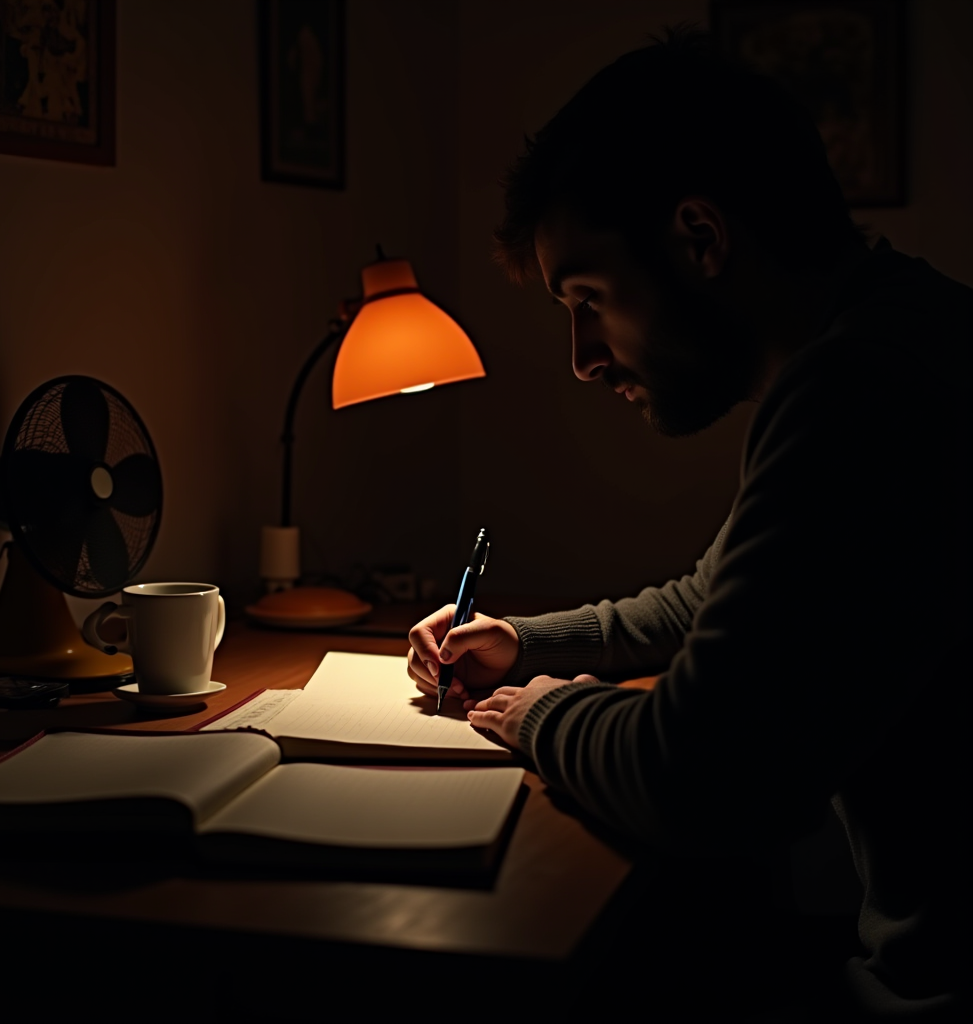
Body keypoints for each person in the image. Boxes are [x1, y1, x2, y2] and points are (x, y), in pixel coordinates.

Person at [407, 30, 971, 1022]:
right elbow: (704, 596)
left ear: (700, 239)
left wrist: (537, 712)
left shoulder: (862, 394)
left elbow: (698, 776)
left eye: (587, 299)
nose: (582, 357)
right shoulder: (900, 331)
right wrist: (522, 639)